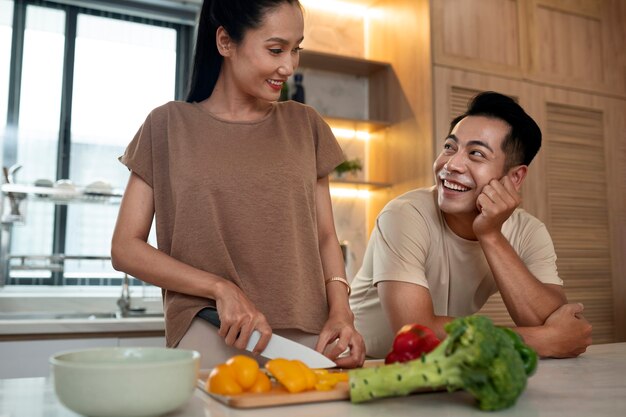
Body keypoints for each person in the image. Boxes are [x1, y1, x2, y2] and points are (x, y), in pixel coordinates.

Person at [111, 0, 365, 369]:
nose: (288, 66)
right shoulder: (167, 126)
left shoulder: (305, 125)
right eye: (276, 49)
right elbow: (125, 248)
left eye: (296, 50)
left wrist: (342, 311)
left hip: (309, 335)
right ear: (226, 42)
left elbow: (326, 235)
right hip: (211, 329)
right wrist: (220, 288)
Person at [349, 91, 592, 359]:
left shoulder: (529, 231)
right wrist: (539, 342)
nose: (451, 164)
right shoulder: (404, 215)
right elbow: (415, 332)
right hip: (366, 364)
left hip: (446, 367)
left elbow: (552, 321)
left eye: (476, 154)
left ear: (515, 177)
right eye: (450, 147)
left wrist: (490, 235)